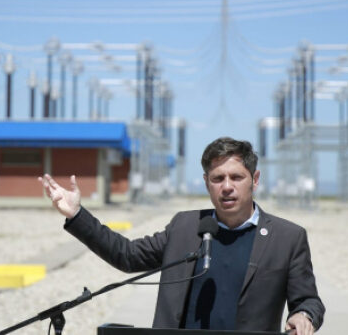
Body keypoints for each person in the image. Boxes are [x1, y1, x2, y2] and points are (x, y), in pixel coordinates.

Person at [39, 136, 324, 334]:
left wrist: (303, 315)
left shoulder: (287, 238)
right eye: (217, 179)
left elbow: (308, 300)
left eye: (236, 177)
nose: (227, 187)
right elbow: (126, 256)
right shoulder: (186, 227)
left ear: (255, 180)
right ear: (206, 183)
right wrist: (77, 215)